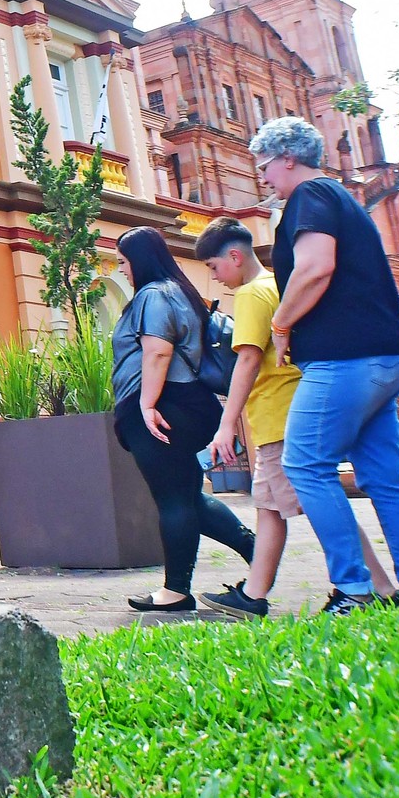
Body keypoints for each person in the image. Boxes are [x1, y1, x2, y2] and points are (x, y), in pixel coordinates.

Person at [254, 115, 399, 612]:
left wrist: (281, 324)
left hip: (345, 357)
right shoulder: (342, 198)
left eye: (265, 165)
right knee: (385, 479)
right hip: (387, 355)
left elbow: (316, 266)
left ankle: (353, 589)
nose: (262, 176)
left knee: (304, 465)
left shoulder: (310, 196)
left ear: (288, 159)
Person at [195, 219, 394, 617]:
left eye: (214, 267)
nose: (215, 277)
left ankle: (376, 587)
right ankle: (253, 594)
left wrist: (226, 424)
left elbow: (248, 359)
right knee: (269, 506)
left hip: (279, 416)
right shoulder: (278, 284)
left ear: (234, 257)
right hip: (289, 409)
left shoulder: (251, 294)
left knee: (319, 502)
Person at [110, 227, 257, 613]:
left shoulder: (154, 294)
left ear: (140, 259)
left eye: (124, 262)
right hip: (185, 404)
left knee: (172, 499)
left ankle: (175, 591)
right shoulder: (179, 291)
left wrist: (146, 405)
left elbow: (158, 352)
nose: (121, 269)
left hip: (163, 407)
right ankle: (257, 550)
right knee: (188, 496)